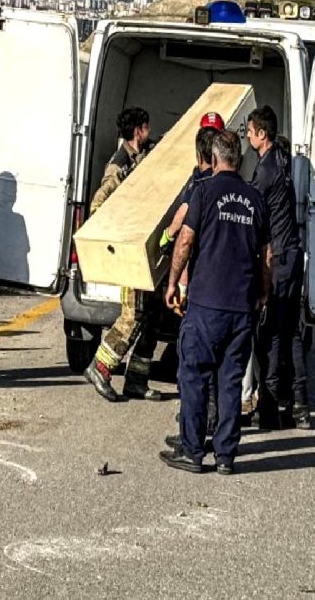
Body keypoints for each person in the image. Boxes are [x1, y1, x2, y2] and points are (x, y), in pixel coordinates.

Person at [161, 130, 271, 475]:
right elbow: (267, 254)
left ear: (213, 157)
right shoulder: (254, 198)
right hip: (241, 305)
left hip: (206, 303)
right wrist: (264, 292)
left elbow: (185, 240)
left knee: (193, 374)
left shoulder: (204, 191)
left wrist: (172, 281)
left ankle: (193, 450)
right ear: (238, 159)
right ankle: (225, 455)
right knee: (230, 379)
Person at [84, 107, 162, 402]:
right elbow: (98, 205)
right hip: (130, 255)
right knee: (132, 316)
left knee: (150, 318)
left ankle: (137, 381)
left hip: (146, 252)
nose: (150, 132)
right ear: (138, 130)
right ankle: (101, 367)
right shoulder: (118, 167)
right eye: (147, 128)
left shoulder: (141, 156)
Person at [160, 114, 224, 451]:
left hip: (197, 282)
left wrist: (167, 239)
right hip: (220, 284)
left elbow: (183, 231)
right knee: (214, 363)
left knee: (194, 362)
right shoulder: (231, 184)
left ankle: (194, 430)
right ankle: (207, 425)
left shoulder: (198, 185)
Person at [246, 105, 310, 430]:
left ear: (262, 134)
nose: (247, 135)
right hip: (294, 254)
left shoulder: (266, 169)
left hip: (280, 259)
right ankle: (301, 407)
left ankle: (268, 410)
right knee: (292, 334)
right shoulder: (284, 159)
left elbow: (255, 213)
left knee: (269, 333)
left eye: (250, 130)